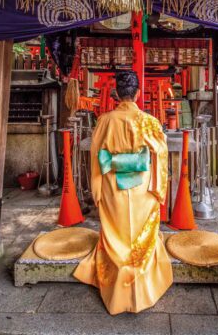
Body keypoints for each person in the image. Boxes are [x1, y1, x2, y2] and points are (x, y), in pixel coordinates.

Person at [73, 70, 172, 314]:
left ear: (117, 93)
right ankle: (143, 286)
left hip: (113, 187)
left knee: (116, 235)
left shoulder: (104, 120)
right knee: (140, 237)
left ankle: (116, 288)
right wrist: (159, 190)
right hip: (141, 190)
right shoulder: (149, 121)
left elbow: (97, 158)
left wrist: (96, 191)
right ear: (138, 94)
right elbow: (160, 154)